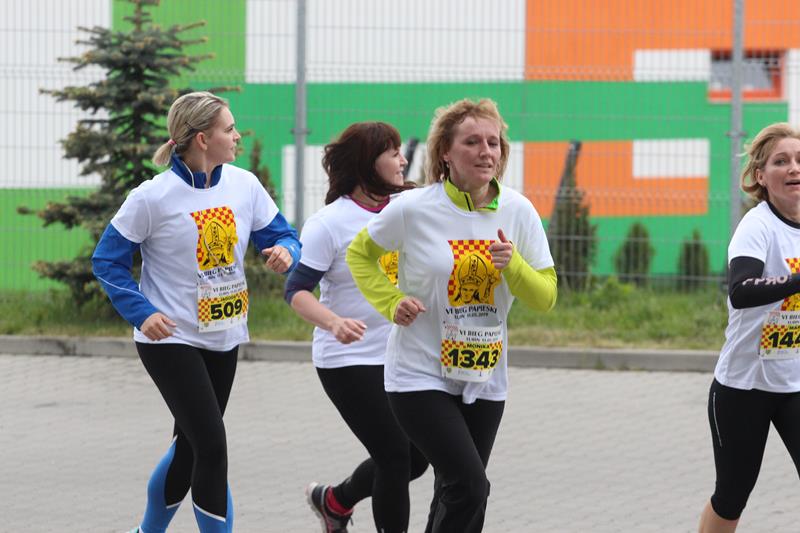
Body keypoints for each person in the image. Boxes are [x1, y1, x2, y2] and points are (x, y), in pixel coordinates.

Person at [91, 91, 301, 533]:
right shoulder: (152, 197)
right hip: (170, 338)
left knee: (190, 446)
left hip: (224, 335)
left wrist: (286, 251)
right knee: (211, 445)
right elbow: (107, 262)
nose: (237, 136)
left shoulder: (244, 185)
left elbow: (284, 235)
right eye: (230, 129)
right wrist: (142, 313)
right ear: (203, 138)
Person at [346, 98, 557, 532]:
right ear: (445, 151)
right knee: (470, 486)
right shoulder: (413, 208)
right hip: (419, 373)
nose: (486, 152)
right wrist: (390, 301)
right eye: (472, 142)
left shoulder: (518, 211)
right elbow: (360, 254)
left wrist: (513, 265)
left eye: (494, 143)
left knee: (456, 492)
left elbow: (546, 297)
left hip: (484, 374)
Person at [284, 122, 428, 533]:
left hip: (400, 355)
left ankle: (335, 501)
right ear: (368, 163)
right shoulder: (329, 223)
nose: (403, 161)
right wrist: (333, 322)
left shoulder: (408, 208)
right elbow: (296, 291)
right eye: (393, 153)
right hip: (348, 360)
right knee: (394, 456)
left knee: (418, 458)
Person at [698, 123, 800, 532]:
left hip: (794, 384)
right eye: (781, 161)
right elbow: (741, 290)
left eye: (799, 160)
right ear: (761, 176)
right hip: (744, 387)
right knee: (732, 495)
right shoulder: (757, 227)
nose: (794, 168)